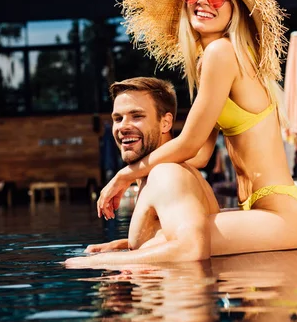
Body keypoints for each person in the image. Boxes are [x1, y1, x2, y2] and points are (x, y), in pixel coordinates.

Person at [97, 0, 297, 256]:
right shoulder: (213, 61)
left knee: (177, 231)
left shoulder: (222, 53)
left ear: (234, 8)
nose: (204, 0)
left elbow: (187, 143)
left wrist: (124, 175)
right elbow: (199, 155)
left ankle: (89, 265)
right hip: (262, 212)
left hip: (281, 215)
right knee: (163, 199)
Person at [65, 77, 219, 268]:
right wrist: (123, 246)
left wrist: (100, 262)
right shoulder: (153, 174)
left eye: (137, 116)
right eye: (117, 118)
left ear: (165, 123)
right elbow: (171, 235)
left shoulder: (166, 174)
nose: (123, 126)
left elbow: (191, 249)